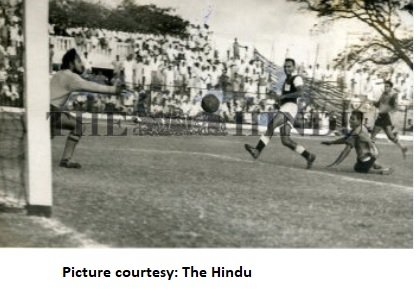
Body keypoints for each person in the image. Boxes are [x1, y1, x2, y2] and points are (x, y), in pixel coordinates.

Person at [50, 48, 123, 169]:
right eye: (78, 61)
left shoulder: (58, 74)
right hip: (52, 112)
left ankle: (62, 159)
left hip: (44, 110)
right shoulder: (71, 77)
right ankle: (65, 159)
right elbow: (91, 86)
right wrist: (114, 90)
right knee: (78, 126)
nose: (81, 64)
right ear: (71, 63)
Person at [244, 58, 316, 169]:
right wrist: (278, 98)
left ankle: (257, 150)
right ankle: (309, 155)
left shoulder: (296, 78)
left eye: (289, 66)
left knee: (271, 125)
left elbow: (300, 92)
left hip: (290, 107)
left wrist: (283, 96)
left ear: (294, 67)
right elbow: (286, 96)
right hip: (286, 107)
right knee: (285, 140)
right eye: (285, 66)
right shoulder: (287, 81)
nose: (287, 68)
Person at [321, 111, 392, 175]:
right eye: (350, 118)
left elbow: (347, 149)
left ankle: (382, 171)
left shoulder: (357, 131)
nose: (350, 121)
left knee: (360, 170)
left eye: (352, 119)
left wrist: (335, 164)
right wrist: (332, 142)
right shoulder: (358, 128)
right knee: (356, 167)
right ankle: (374, 164)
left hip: (368, 156)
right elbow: (345, 139)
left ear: (359, 121)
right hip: (371, 153)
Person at [370, 80, 407, 159]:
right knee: (390, 136)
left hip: (384, 116)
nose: (385, 88)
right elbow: (378, 105)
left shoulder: (392, 96)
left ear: (391, 88)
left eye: (387, 86)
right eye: (385, 86)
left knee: (372, 137)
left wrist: (391, 110)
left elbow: (395, 107)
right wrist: (373, 102)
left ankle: (373, 153)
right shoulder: (383, 94)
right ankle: (402, 147)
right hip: (382, 116)